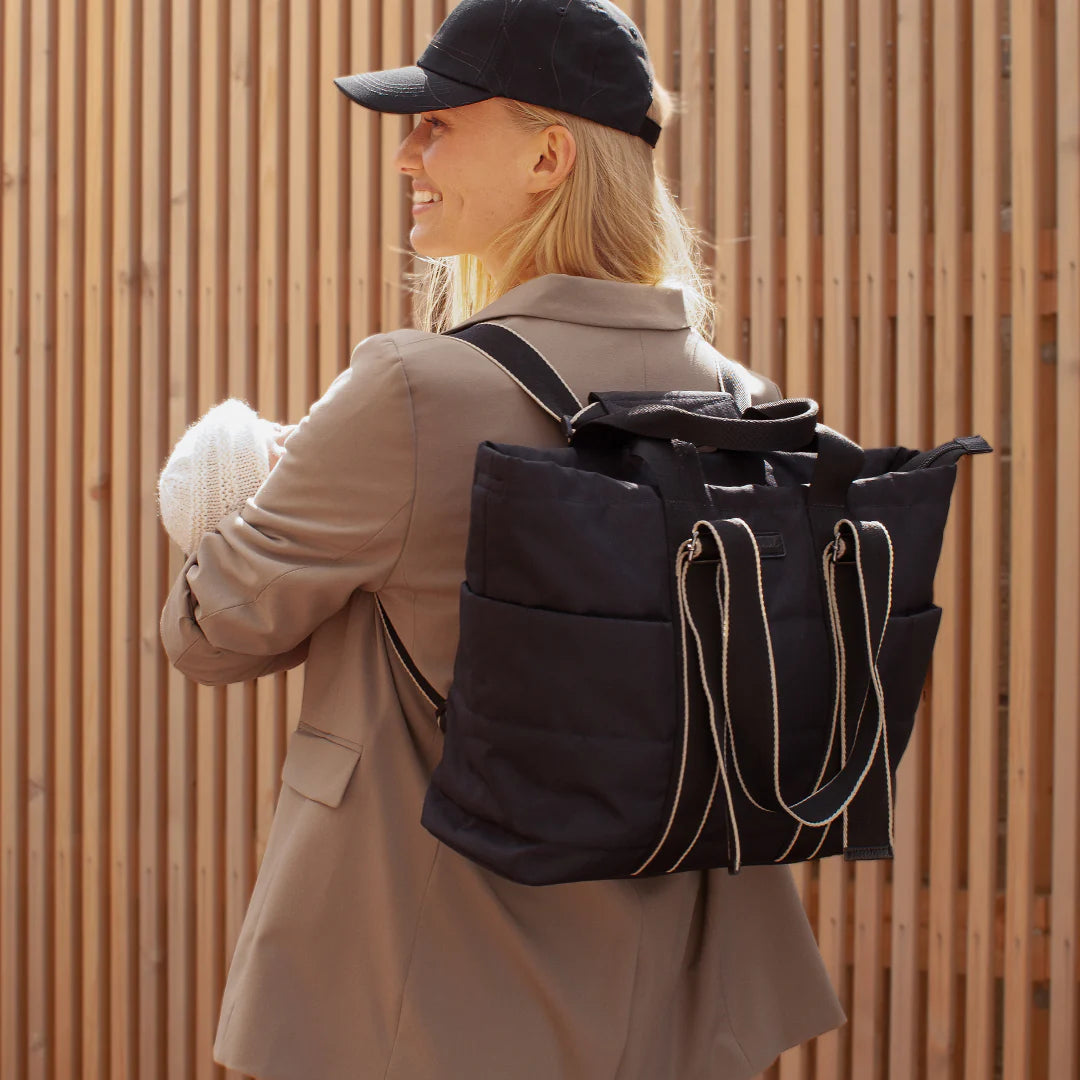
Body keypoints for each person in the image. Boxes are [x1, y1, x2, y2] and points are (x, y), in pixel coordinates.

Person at [160, 1, 845, 1077]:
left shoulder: (412, 391)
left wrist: (231, 469)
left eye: (438, 122)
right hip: (671, 1006)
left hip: (423, 1001)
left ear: (549, 155)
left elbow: (208, 634)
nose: (405, 155)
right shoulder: (745, 403)